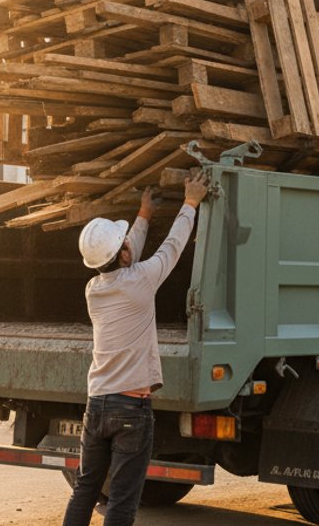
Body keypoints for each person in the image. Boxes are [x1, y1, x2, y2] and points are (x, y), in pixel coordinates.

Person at [63, 170, 210, 526]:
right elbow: (172, 247)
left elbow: (123, 255)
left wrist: (144, 214)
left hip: (97, 405)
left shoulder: (94, 289)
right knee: (123, 500)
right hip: (131, 409)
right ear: (124, 253)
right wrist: (190, 202)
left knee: (86, 488)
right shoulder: (140, 280)